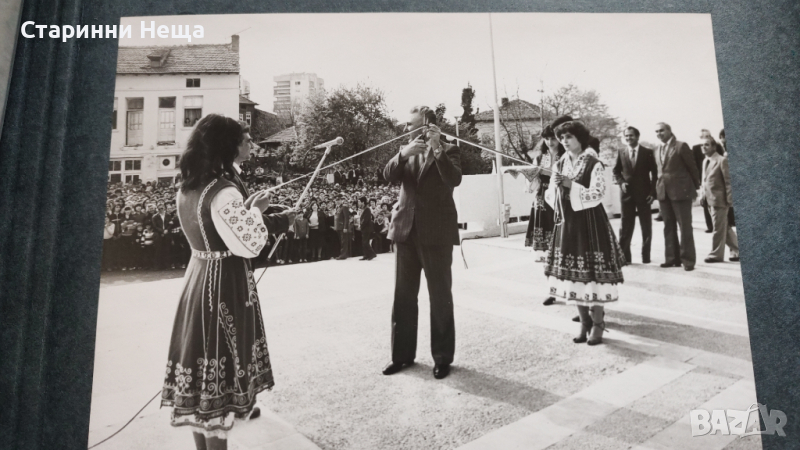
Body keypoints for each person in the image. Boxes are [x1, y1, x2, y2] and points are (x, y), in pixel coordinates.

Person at [161, 114, 295, 450]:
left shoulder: (189, 184)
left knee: (200, 380)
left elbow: (217, 229)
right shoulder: (223, 191)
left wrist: (248, 211)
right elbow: (249, 243)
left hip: (198, 277)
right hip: (222, 286)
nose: (250, 144)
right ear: (228, 145)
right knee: (216, 376)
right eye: (243, 139)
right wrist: (257, 211)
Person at [382, 105, 461, 380]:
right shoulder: (406, 150)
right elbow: (387, 175)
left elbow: (454, 179)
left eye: (410, 124)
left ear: (426, 125)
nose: (405, 128)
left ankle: (442, 358)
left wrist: (438, 149)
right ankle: (401, 356)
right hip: (405, 231)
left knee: (440, 297)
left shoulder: (449, 149)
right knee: (403, 296)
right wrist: (402, 155)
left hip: (436, 233)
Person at [544, 120, 625, 346]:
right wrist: (557, 188)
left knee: (592, 273)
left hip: (590, 223)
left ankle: (598, 323)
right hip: (568, 222)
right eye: (561, 138)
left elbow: (598, 193)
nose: (564, 141)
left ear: (579, 138)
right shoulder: (559, 163)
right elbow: (550, 194)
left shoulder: (593, 163)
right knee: (573, 273)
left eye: (569, 137)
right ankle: (584, 321)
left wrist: (572, 186)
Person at [507, 116, 571, 306]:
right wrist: (525, 173)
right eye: (547, 139)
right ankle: (552, 290)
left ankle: (568, 288)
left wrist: (548, 173)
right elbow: (532, 185)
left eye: (553, 138)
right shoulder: (539, 157)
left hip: (560, 202)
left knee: (563, 249)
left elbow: (568, 178)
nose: (550, 142)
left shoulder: (566, 157)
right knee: (545, 252)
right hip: (542, 203)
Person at [654, 122, 700, 271]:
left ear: (669, 131)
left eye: (661, 130)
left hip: (681, 191)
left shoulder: (681, 146)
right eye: (656, 131)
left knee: (685, 227)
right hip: (663, 193)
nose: (659, 134)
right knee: (668, 226)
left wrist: (696, 188)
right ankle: (672, 259)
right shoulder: (657, 149)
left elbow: (692, 168)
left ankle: (688, 261)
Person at [613, 126, 659, 265]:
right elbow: (616, 171)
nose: (628, 138)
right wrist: (621, 182)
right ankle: (624, 257)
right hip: (626, 195)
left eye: (631, 135)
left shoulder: (647, 152)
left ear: (637, 137)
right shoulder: (621, 151)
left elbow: (655, 174)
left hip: (644, 195)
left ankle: (646, 257)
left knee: (646, 226)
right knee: (625, 226)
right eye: (626, 136)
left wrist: (652, 193)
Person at [700, 137, 740, 263]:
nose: (703, 147)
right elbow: (704, 181)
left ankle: (716, 254)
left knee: (718, 228)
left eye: (706, 145)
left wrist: (730, 200)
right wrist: (702, 195)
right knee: (724, 227)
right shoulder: (705, 161)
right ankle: (738, 250)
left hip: (720, 200)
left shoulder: (722, 160)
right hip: (709, 200)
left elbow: (728, 182)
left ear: (714, 147)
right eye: (702, 145)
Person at [691, 129, 725, 233]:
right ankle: (710, 226)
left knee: (720, 222)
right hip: (704, 177)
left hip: (716, 179)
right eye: (702, 137)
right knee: (706, 204)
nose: (704, 138)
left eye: (707, 136)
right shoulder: (696, 149)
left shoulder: (717, 147)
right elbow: (694, 164)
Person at [358, 196, 376, 261]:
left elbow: (365, 220)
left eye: (359, 202)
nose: (358, 203)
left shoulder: (367, 209)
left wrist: (361, 226)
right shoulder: (364, 209)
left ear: (363, 202)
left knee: (365, 242)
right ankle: (366, 255)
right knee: (364, 242)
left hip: (367, 228)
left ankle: (372, 254)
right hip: (365, 228)